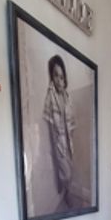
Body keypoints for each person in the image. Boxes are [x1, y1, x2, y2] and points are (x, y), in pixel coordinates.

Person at [43, 54, 76, 207]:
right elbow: (50, 123)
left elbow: (71, 120)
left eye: (61, 76)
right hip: (59, 141)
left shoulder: (67, 97)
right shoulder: (50, 96)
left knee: (70, 169)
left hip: (68, 140)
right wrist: (54, 145)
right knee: (66, 173)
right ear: (52, 76)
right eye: (55, 75)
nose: (59, 80)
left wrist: (71, 139)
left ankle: (65, 188)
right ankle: (67, 193)